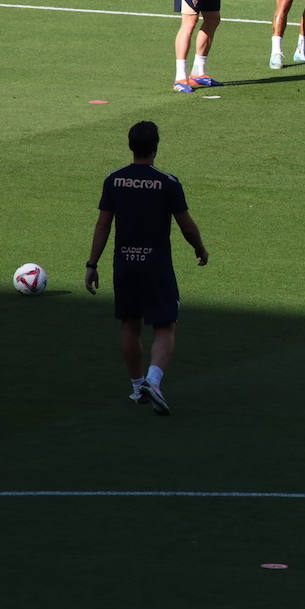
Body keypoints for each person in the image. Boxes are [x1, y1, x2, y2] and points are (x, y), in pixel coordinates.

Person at [85, 121, 208, 416]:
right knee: (165, 326)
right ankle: (153, 381)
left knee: (130, 325)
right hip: (156, 265)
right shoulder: (168, 182)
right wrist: (199, 248)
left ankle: (137, 386)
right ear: (156, 147)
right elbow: (186, 226)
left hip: (124, 264)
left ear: (130, 146)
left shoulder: (114, 180)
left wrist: (92, 264)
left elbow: (103, 225)